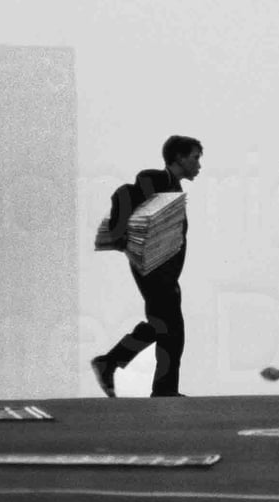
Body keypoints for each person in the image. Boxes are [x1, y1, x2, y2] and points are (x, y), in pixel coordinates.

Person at [91, 135, 203, 398]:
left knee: (164, 326)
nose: (199, 165)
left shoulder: (171, 186)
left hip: (161, 269)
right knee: (170, 327)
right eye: (195, 157)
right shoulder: (157, 179)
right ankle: (153, 383)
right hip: (154, 269)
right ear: (179, 157)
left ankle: (119, 366)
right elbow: (133, 193)